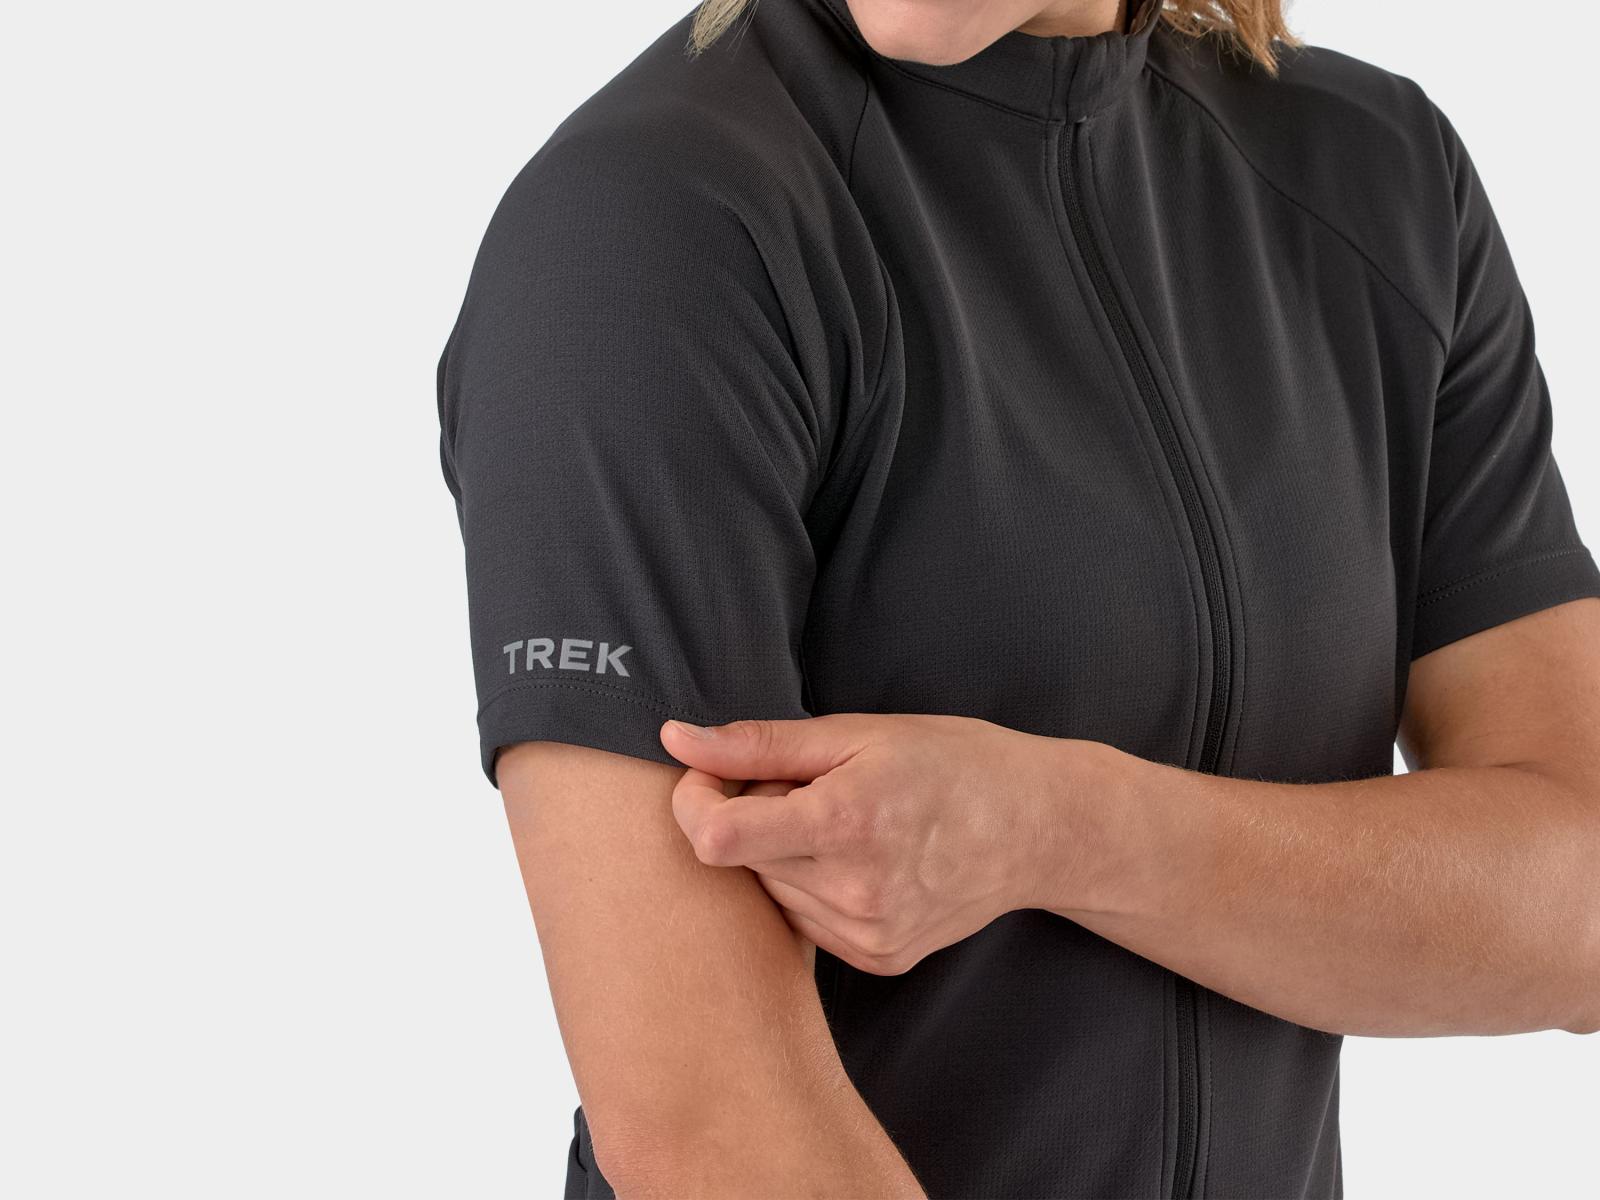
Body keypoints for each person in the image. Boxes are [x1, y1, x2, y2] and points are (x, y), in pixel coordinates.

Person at [434, 0, 1600, 1195]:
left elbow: (1577, 909)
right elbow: (707, 1130)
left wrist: (1063, 830)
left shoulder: (1375, 177)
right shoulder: (649, 227)